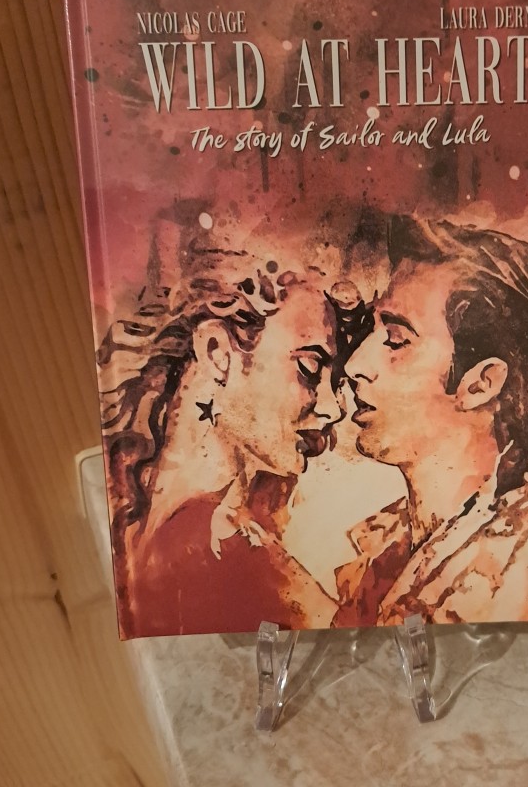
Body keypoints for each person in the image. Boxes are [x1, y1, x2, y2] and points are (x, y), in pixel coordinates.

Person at [100, 230, 369, 636]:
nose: (334, 408)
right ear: (217, 352)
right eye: (310, 368)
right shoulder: (222, 545)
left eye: (336, 382)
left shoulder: (157, 538)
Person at [334, 215, 528, 627]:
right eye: (368, 332)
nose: (356, 364)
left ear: (481, 383)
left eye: (396, 340)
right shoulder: (378, 554)